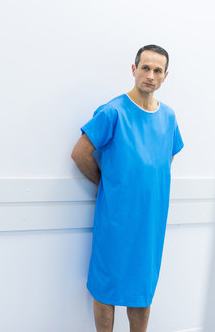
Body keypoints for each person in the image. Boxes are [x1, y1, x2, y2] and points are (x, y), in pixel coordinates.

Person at [71, 45, 184, 332]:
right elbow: (81, 154)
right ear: (134, 70)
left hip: (150, 223)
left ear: (165, 76)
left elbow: (166, 158)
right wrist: (111, 185)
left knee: (142, 289)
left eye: (157, 70)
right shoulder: (113, 112)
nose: (150, 75)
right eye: (145, 68)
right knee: (106, 285)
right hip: (116, 218)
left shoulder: (168, 117)